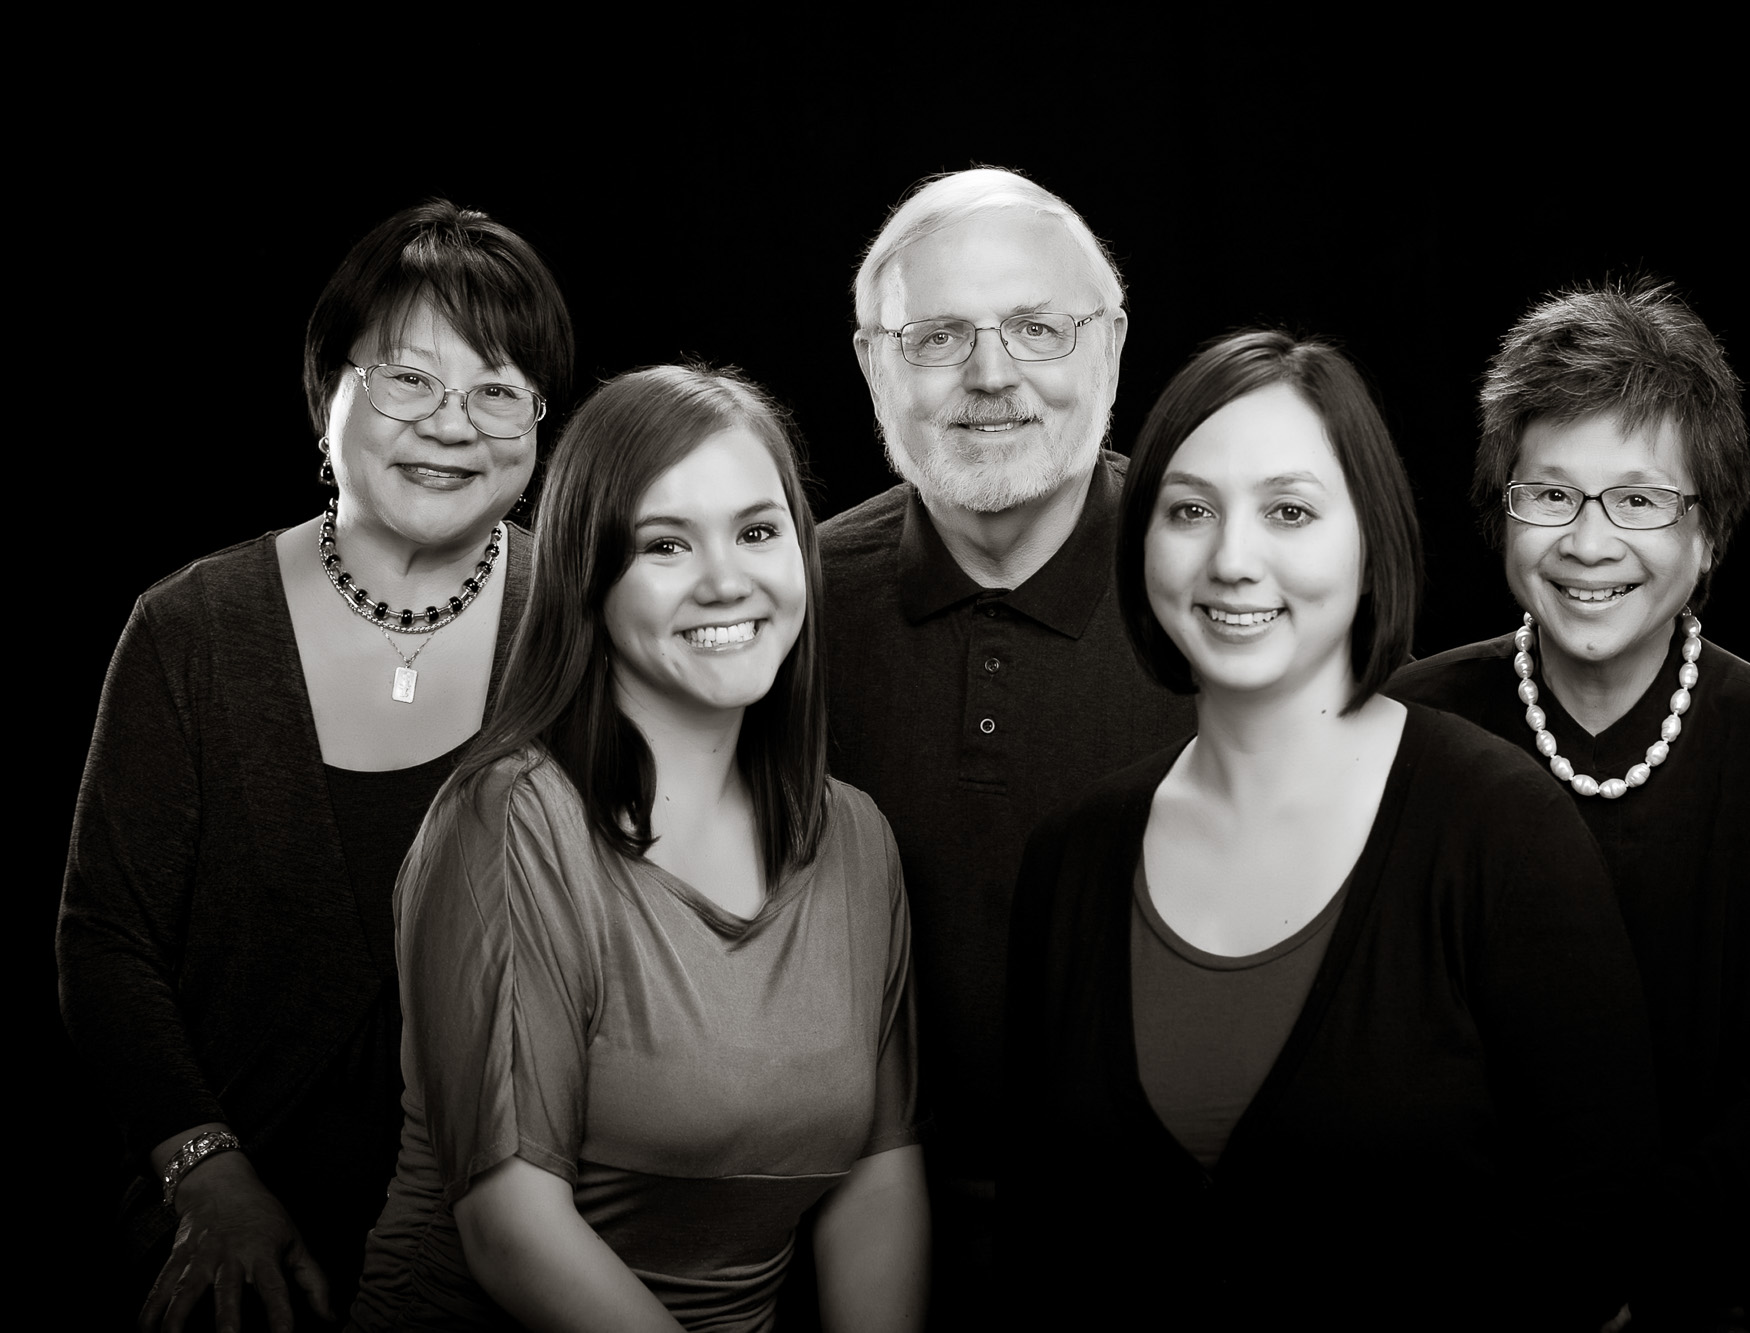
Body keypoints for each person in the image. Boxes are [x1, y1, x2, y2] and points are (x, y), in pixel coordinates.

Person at [1002, 328, 1659, 1327]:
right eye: (1187, 510)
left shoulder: (1498, 828)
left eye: (1289, 511)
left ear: (1368, 546)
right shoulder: (1071, 859)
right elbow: (1042, 1248)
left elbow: (1593, 1232)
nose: (1230, 558)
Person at [57, 200, 573, 1330]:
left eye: (497, 390)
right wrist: (208, 1174)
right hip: (231, 1260)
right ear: (324, 393)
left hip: (515, 1262)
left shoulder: (580, 629)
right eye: (406, 379)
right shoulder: (189, 627)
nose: (453, 423)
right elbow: (105, 941)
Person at [347, 364, 927, 1332]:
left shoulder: (856, 839)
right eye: (665, 544)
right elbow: (510, 1226)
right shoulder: (506, 823)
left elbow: (880, 1174)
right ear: (589, 576)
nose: (726, 579)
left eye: (756, 531)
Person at [1389, 279, 1750, 1324]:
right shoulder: (1397, 729)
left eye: (1638, 499)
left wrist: (1605, 1277)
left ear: (1706, 533)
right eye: (1549, 493)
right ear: (1500, 511)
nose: (1586, 540)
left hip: (1707, 1294)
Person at [820, 166, 1194, 1316]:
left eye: (1037, 327)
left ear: (1112, 346)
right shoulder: (778, 611)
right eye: (936, 336)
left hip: (1170, 1258)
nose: (992, 375)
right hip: (834, 1252)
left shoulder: (1221, 598)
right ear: (871, 361)